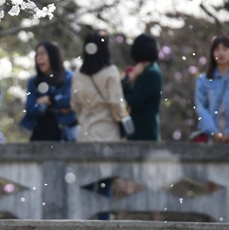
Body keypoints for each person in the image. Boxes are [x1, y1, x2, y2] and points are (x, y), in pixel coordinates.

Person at [71, 30, 128, 220]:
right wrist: (123, 120)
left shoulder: (79, 73)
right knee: (105, 187)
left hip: (85, 135)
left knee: (85, 186)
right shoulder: (110, 72)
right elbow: (116, 104)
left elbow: (74, 104)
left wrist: (85, 117)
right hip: (107, 134)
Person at [194, 36, 229, 144]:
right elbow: (201, 107)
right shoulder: (203, 80)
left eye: (225, 49)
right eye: (217, 50)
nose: (221, 53)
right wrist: (213, 132)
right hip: (211, 134)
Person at [20, 41, 78, 142]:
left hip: (67, 130)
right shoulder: (33, 82)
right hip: (42, 131)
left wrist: (48, 100)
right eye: (37, 55)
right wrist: (58, 105)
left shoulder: (69, 77)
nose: (39, 58)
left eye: (43, 54)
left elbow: (70, 101)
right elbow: (30, 108)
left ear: (53, 55)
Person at [121, 33, 163, 141]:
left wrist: (129, 79)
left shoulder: (151, 73)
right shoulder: (146, 70)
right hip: (140, 128)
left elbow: (134, 100)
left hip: (145, 130)